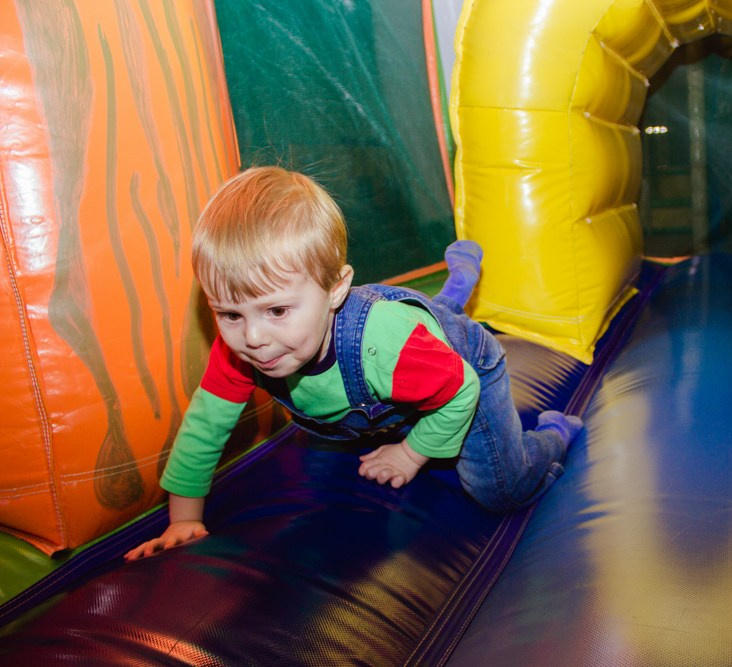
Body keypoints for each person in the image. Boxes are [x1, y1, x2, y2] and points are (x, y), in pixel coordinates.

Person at [125, 166, 582, 561]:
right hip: (412, 360)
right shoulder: (244, 350)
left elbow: (460, 389)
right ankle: (459, 278)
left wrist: (410, 453)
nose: (254, 338)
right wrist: (183, 519)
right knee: (431, 324)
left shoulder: (380, 345)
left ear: (336, 289)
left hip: (464, 370)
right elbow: (205, 426)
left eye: (277, 311)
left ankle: (555, 432)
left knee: (499, 490)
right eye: (229, 315)